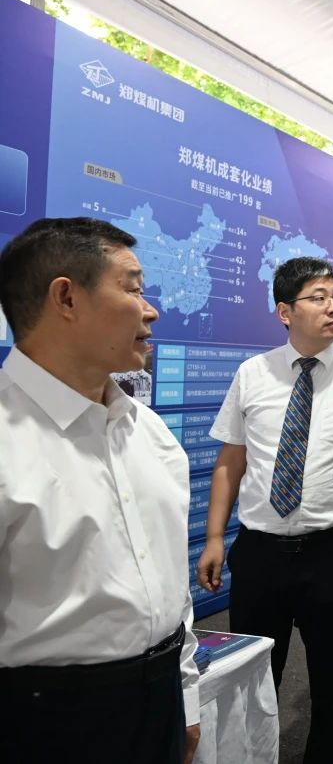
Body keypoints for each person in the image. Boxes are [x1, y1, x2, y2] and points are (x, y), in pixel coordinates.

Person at [0, 218, 200, 764]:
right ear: (66, 298)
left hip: (159, 703)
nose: (150, 310)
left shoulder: (149, 432)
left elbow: (169, 581)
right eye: (133, 288)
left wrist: (185, 695)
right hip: (43, 723)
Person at [197, 257, 333, 764]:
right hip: (260, 552)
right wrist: (214, 537)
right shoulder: (253, 374)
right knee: (252, 675)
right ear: (284, 311)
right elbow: (230, 463)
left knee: (332, 677)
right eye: (318, 297)